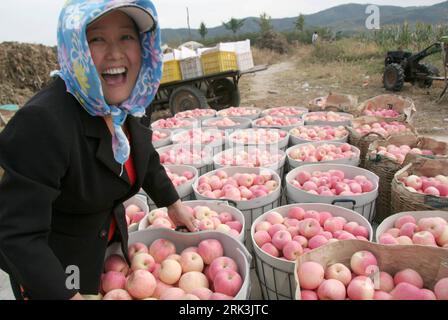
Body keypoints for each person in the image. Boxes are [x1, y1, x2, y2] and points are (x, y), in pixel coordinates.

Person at [0, 0, 197, 300]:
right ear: (74, 45)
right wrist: (67, 296)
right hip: (57, 268)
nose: (115, 53)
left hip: (105, 250)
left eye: (126, 37)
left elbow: (143, 156)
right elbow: (16, 234)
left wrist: (172, 202)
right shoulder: (43, 123)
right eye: (97, 39)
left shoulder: (129, 104)